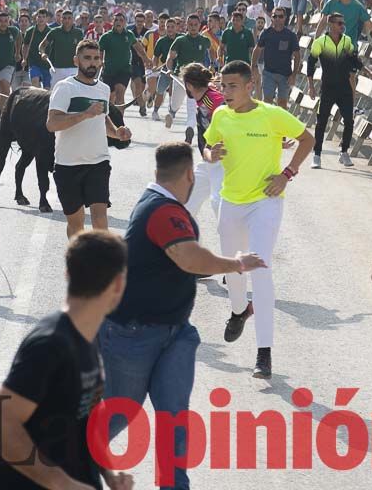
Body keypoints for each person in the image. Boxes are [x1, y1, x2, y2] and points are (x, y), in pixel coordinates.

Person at [100, 142, 264, 489]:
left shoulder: (162, 204)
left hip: (173, 332)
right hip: (135, 333)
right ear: (190, 174)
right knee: (120, 410)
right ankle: (62, 459)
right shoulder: (162, 211)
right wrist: (236, 264)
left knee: (174, 420)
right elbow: (189, 258)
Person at [0, 230, 134, 490]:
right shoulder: (49, 345)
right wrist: (60, 482)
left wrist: (109, 473)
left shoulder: (85, 338)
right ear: (119, 284)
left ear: (68, 274)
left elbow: (86, 419)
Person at [202, 60, 313, 378]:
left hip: (265, 202)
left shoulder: (271, 114)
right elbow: (208, 147)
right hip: (231, 202)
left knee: (261, 269)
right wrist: (213, 155)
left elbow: (308, 139)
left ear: (250, 86)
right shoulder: (220, 115)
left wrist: (287, 174)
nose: (226, 92)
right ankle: (239, 310)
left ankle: (264, 352)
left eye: (232, 86)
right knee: (233, 269)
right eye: (222, 86)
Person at [48, 40, 132, 240]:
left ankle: (102, 266)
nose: (92, 63)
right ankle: (79, 263)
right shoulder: (65, 87)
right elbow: (52, 124)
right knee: (76, 225)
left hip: (98, 162)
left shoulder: (103, 89)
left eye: (96, 59)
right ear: (76, 60)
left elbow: (103, 122)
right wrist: (83, 114)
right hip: (68, 165)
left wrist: (117, 133)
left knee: (100, 219)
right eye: (87, 58)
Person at [308, 13, 368, 168]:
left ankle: (344, 152)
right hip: (327, 88)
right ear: (331, 25)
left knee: (349, 120)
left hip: (344, 87)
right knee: (321, 122)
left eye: (343, 23)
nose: (343, 26)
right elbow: (311, 64)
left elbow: (354, 60)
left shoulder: (347, 41)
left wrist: (368, 71)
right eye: (339, 23)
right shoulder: (320, 42)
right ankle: (317, 155)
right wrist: (311, 87)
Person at [180, 63, 226, 221]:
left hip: (222, 159)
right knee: (187, 202)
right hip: (207, 158)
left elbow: (232, 115)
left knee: (219, 203)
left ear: (189, 85)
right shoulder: (207, 95)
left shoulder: (214, 99)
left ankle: (232, 241)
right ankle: (180, 240)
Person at [164, 14, 211, 141]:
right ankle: (172, 113)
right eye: (190, 25)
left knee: (192, 105)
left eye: (196, 25)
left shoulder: (204, 40)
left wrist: (212, 67)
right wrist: (169, 69)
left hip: (197, 79)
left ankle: (190, 128)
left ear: (200, 25)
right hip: (181, 77)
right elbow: (170, 57)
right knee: (176, 103)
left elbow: (211, 55)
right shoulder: (180, 41)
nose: (193, 27)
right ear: (187, 26)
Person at [252, 6, 299, 109]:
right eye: (275, 16)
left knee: (282, 104)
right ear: (271, 18)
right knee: (267, 102)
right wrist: (253, 67)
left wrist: (294, 74)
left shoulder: (291, 36)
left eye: (280, 16)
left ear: (285, 18)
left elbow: (297, 55)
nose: (277, 19)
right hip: (269, 73)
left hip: (285, 75)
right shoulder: (266, 33)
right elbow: (257, 50)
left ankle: (280, 125)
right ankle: (267, 124)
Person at [99, 12, 148, 107]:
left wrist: (146, 59)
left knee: (120, 92)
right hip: (109, 71)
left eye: (121, 20)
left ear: (125, 22)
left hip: (124, 70)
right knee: (110, 97)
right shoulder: (106, 37)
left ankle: (119, 121)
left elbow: (138, 48)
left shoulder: (129, 35)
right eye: (116, 20)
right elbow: (99, 51)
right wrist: (100, 61)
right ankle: (110, 117)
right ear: (112, 21)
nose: (118, 22)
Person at [39, 8, 84, 87]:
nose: (67, 20)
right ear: (61, 19)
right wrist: (42, 53)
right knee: (56, 92)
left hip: (74, 68)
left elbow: (83, 49)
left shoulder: (79, 33)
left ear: (73, 19)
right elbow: (42, 45)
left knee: (72, 92)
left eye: (69, 18)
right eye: (65, 18)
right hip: (57, 68)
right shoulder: (54, 32)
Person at [21, 7, 53, 89]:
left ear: (47, 18)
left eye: (43, 17)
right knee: (35, 82)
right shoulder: (30, 31)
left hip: (47, 65)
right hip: (34, 63)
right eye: (39, 17)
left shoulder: (51, 32)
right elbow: (25, 45)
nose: (41, 19)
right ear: (36, 18)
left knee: (47, 89)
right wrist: (24, 58)